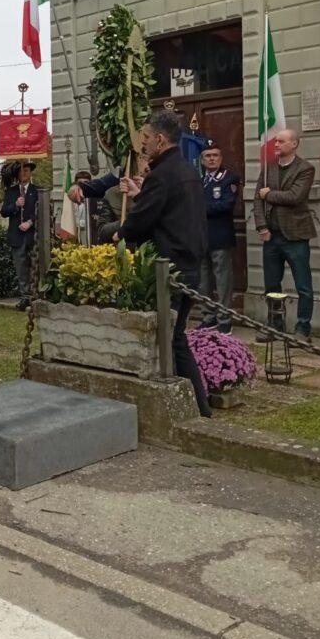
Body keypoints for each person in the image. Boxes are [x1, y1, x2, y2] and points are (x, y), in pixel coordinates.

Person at [113, 111, 212, 417]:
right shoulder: (186, 170)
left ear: (159, 139)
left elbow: (143, 220)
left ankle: (194, 406)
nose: (142, 144)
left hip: (171, 268)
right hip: (190, 262)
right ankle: (198, 406)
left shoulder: (163, 174)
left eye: (145, 138)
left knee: (171, 339)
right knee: (175, 337)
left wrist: (120, 233)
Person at [253, 129, 316, 341]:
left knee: (303, 286)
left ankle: (302, 329)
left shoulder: (305, 168)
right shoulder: (268, 167)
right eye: (275, 141)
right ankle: (275, 325)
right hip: (271, 237)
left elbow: (295, 197)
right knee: (271, 285)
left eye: (281, 141)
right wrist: (262, 226)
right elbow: (257, 200)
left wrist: (268, 194)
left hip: (296, 237)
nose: (276, 144)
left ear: (294, 144)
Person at [198, 144, 240, 334]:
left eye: (215, 155)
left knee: (223, 280)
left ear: (221, 158)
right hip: (200, 237)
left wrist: (199, 209)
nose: (212, 159)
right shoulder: (198, 181)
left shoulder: (229, 179)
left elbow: (226, 205)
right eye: (207, 156)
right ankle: (208, 317)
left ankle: (224, 319)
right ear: (202, 160)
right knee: (203, 281)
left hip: (220, 237)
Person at [1, 161, 38, 310]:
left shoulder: (37, 191)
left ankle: (36, 295)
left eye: (27, 171)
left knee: (35, 265)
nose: (25, 174)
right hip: (17, 236)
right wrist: (15, 205)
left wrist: (30, 222)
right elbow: (4, 212)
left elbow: (42, 210)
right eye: (22, 171)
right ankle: (25, 297)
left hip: (33, 235)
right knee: (21, 267)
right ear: (18, 174)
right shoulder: (11, 191)